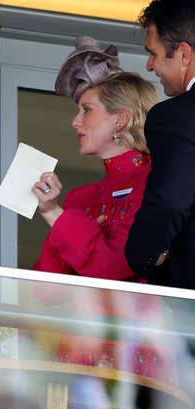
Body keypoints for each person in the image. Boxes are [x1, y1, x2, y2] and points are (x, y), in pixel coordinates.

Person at [32, 36, 175, 385]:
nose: (75, 122)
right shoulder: (80, 197)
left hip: (132, 361)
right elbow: (47, 290)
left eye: (86, 109)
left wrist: (59, 218)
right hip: (74, 354)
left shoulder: (158, 184)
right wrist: (58, 215)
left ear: (120, 119)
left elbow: (109, 266)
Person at [124, 0, 195, 289]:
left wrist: (144, 255)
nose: (149, 66)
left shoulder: (175, 115)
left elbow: (169, 200)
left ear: (183, 53)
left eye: (153, 53)